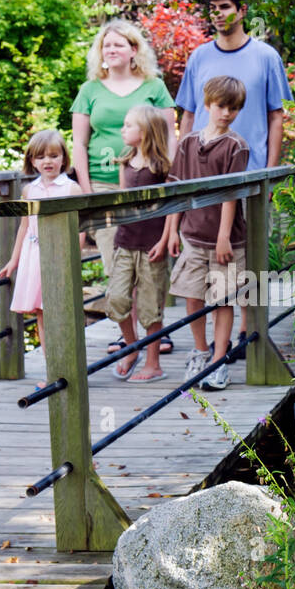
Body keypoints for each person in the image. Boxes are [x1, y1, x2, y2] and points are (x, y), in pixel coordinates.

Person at [175, 0, 293, 355]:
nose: (219, 14)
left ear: (241, 11)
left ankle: (248, 333)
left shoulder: (266, 57)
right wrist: (182, 168)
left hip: (250, 174)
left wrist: (270, 173)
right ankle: (209, 345)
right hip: (202, 178)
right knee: (202, 258)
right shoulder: (199, 58)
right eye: (213, 9)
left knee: (249, 257)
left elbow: (277, 116)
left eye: (225, 7)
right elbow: (188, 114)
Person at [70, 20, 178, 355]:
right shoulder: (90, 90)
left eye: (118, 44)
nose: (111, 50)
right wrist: (87, 191)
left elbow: (171, 136)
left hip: (148, 188)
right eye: (106, 45)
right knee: (115, 265)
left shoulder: (153, 86)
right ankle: (128, 337)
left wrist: (170, 181)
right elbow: (78, 143)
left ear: (134, 49)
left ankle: (154, 333)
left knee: (150, 263)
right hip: (103, 186)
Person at [165, 75, 250, 391]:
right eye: (221, 106)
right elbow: (177, 190)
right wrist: (172, 230)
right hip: (193, 235)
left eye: (234, 108)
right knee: (192, 296)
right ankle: (199, 350)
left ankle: (218, 360)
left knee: (223, 298)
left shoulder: (236, 146)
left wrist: (224, 236)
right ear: (208, 104)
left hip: (225, 240)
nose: (227, 113)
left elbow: (230, 193)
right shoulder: (187, 143)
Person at [0, 130, 80, 381]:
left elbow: (79, 230)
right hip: (34, 256)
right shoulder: (28, 191)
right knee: (42, 314)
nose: (48, 161)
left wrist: (71, 257)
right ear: (32, 161)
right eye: (41, 157)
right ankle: (52, 370)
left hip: (60, 257)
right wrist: (14, 260)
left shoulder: (71, 189)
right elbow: (24, 226)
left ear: (64, 158)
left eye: (54, 156)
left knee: (61, 312)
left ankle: (69, 366)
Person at [105, 106, 175, 382]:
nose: (123, 130)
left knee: (150, 306)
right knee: (117, 298)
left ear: (144, 132)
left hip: (152, 245)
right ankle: (132, 347)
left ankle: (153, 363)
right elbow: (123, 201)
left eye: (127, 125)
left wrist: (168, 237)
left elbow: (172, 204)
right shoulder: (125, 163)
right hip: (125, 242)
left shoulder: (162, 166)